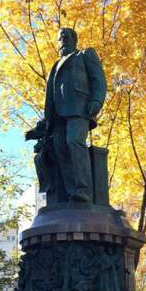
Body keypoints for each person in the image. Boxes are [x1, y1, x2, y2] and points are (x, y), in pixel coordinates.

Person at [41, 27, 107, 203]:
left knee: (74, 142)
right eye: (60, 37)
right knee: (61, 150)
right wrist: (45, 121)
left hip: (79, 109)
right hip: (57, 116)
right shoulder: (54, 66)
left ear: (74, 39)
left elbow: (98, 79)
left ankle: (83, 190)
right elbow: (50, 96)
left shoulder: (84, 55)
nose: (63, 39)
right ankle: (72, 194)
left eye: (67, 36)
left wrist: (97, 100)